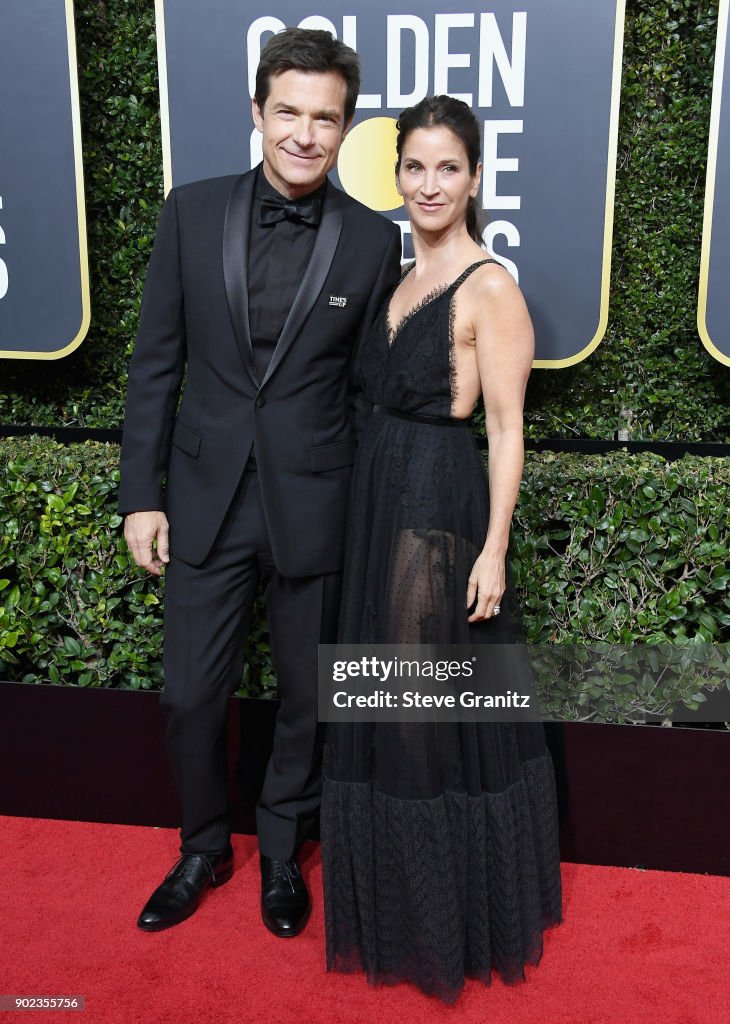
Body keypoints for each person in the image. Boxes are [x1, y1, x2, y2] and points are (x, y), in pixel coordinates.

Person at [118, 28, 402, 937]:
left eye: (326, 117)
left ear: (345, 126)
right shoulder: (189, 213)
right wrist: (141, 495)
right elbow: (155, 366)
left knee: (305, 697)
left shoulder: (370, 241)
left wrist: (367, 518)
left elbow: (367, 392)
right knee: (189, 695)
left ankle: (282, 849)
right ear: (257, 113)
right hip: (203, 502)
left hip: (315, 505)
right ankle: (202, 847)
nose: (306, 134)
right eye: (289, 112)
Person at [321, 95, 562, 1001]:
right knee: (382, 702)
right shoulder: (395, 274)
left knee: (418, 705)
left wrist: (494, 547)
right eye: (414, 167)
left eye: (447, 168)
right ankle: (399, 904)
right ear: (398, 176)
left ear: (473, 177)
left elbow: (505, 429)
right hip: (375, 496)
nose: (429, 184)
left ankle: (440, 926)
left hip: (432, 501)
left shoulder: (489, 287)